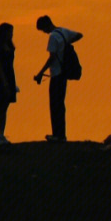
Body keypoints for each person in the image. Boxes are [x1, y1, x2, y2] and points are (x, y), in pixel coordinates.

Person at [34, 14, 82, 142]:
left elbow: (52, 58)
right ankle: (60, 133)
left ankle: (58, 134)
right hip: (64, 74)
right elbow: (79, 35)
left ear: (46, 25)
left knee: (55, 104)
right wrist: (65, 45)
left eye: (43, 29)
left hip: (56, 74)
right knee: (60, 104)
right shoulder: (63, 32)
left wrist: (40, 73)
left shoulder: (53, 37)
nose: (43, 32)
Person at [0, 22, 18, 146]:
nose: (11, 34)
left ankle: (1, 134)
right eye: (9, 32)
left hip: (10, 76)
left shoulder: (10, 46)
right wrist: (5, 82)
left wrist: (12, 83)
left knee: (5, 108)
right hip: (2, 78)